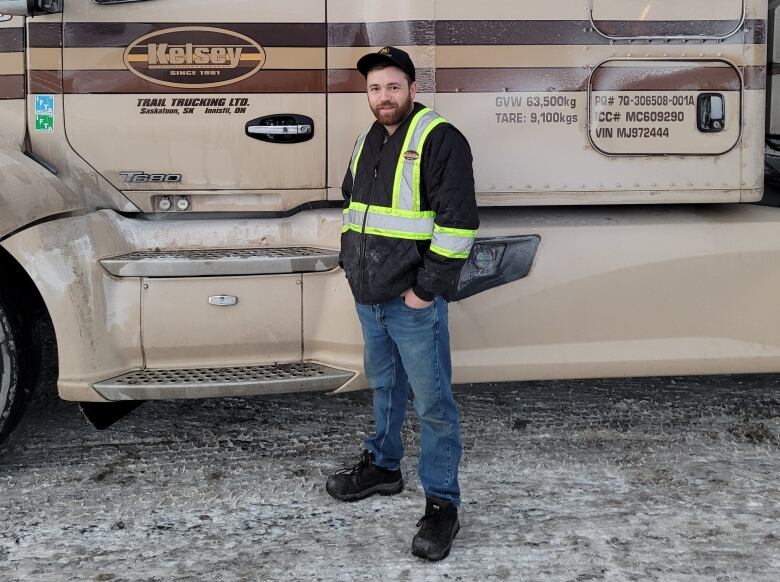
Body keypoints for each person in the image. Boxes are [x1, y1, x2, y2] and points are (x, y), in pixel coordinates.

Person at [326, 46, 479, 561]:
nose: (383, 96)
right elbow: (355, 209)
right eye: (374, 88)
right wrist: (354, 271)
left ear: (413, 89)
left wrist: (424, 291)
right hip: (370, 297)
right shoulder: (367, 139)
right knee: (385, 387)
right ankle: (384, 467)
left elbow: (457, 228)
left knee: (434, 404)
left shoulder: (440, 139)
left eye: (393, 87)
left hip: (412, 303)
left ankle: (442, 505)